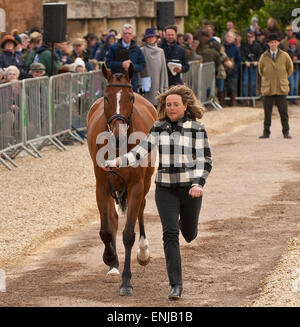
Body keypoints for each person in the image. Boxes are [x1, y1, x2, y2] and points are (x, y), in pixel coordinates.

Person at [100, 84, 212, 300]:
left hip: (190, 190)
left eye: (175, 105)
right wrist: (115, 161)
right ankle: (175, 285)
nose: (171, 108)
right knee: (169, 234)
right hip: (165, 190)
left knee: (188, 234)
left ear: (184, 106)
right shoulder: (158, 127)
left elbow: (205, 160)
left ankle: (186, 226)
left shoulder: (197, 129)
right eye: (168, 104)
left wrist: (198, 183)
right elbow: (139, 153)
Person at [258, 34, 293, 139]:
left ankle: (286, 131)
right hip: (268, 88)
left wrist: (282, 77)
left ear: (278, 43)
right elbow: (260, 70)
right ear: (268, 44)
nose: (273, 44)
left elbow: (290, 69)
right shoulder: (263, 56)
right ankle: (266, 132)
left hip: (281, 88)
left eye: (275, 42)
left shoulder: (285, 55)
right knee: (267, 112)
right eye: (271, 42)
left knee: (283, 112)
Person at [105, 23, 146, 93]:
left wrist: (131, 67)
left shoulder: (137, 49)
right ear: (122, 34)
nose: (127, 35)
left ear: (132, 35)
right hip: (117, 82)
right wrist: (121, 64)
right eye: (125, 33)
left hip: (132, 82)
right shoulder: (114, 47)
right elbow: (108, 63)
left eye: (129, 33)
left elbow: (142, 65)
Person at [139, 27, 168, 106]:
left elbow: (163, 70)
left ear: (156, 38)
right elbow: (139, 69)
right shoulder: (142, 51)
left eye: (152, 36)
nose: (151, 39)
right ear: (145, 39)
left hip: (158, 83)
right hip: (146, 84)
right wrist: (140, 85)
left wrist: (165, 87)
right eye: (149, 37)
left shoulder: (161, 51)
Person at [240, 31, 262, 98]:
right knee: (245, 83)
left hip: (254, 67)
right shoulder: (244, 45)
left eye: (251, 37)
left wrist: (257, 61)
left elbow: (260, 55)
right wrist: (245, 61)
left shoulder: (257, 46)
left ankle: (252, 98)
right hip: (246, 67)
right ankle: (245, 98)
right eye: (248, 37)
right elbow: (241, 55)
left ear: (254, 38)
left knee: (253, 83)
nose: (250, 38)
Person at [223, 31, 242, 106]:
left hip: (233, 71)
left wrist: (233, 66)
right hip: (224, 70)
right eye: (228, 36)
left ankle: (233, 102)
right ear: (225, 38)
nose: (229, 38)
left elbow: (239, 60)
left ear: (234, 38)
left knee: (232, 87)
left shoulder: (236, 48)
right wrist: (224, 63)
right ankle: (223, 102)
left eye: (231, 37)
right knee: (223, 86)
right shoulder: (223, 47)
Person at [286, 38, 300, 104]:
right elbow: (287, 58)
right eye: (291, 44)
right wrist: (293, 58)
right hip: (290, 69)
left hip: (297, 69)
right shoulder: (287, 51)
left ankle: (294, 99)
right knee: (291, 84)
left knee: (296, 85)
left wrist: (297, 58)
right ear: (289, 44)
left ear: (295, 44)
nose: (292, 45)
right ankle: (290, 98)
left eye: (293, 44)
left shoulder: (298, 51)